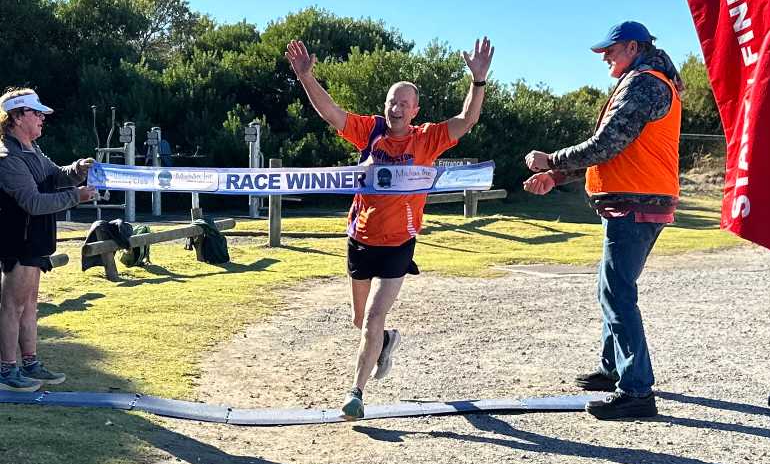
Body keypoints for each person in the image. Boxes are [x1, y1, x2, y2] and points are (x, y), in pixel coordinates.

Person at [286, 37, 494, 419]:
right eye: (391, 102)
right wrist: (305, 78)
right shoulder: (370, 132)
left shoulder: (427, 138)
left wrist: (477, 81)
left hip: (399, 243)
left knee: (372, 319)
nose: (396, 108)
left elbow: (467, 120)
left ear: (415, 110)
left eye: (404, 103)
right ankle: (385, 344)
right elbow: (331, 113)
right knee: (359, 319)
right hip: (360, 238)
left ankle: (356, 393)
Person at [523, 21, 683, 420]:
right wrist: (556, 177)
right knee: (611, 288)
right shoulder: (645, 79)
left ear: (633, 47)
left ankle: (636, 391)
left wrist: (552, 160)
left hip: (636, 204)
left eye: (609, 50)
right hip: (636, 201)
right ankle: (614, 369)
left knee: (617, 293)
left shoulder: (644, 83)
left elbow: (607, 143)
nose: (604, 57)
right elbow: (615, 151)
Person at [0, 88, 96, 392]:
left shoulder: (32, 149)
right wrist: (75, 196)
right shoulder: (7, 157)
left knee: (29, 304)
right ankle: (6, 370)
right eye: (36, 112)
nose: (43, 118)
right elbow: (33, 202)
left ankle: (30, 363)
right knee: (11, 306)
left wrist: (78, 170)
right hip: (18, 242)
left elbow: (55, 176)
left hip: (36, 241)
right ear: (16, 117)